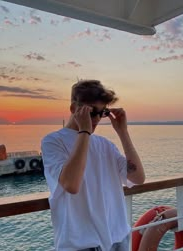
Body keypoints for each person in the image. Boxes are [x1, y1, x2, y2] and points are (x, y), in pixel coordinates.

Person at [41, 80, 145, 251]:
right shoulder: (53, 142)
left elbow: (138, 177)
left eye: (102, 113)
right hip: (81, 244)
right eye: (91, 112)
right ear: (74, 109)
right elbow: (72, 185)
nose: (97, 119)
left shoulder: (106, 145)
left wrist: (123, 132)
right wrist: (84, 132)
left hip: (118, 239)